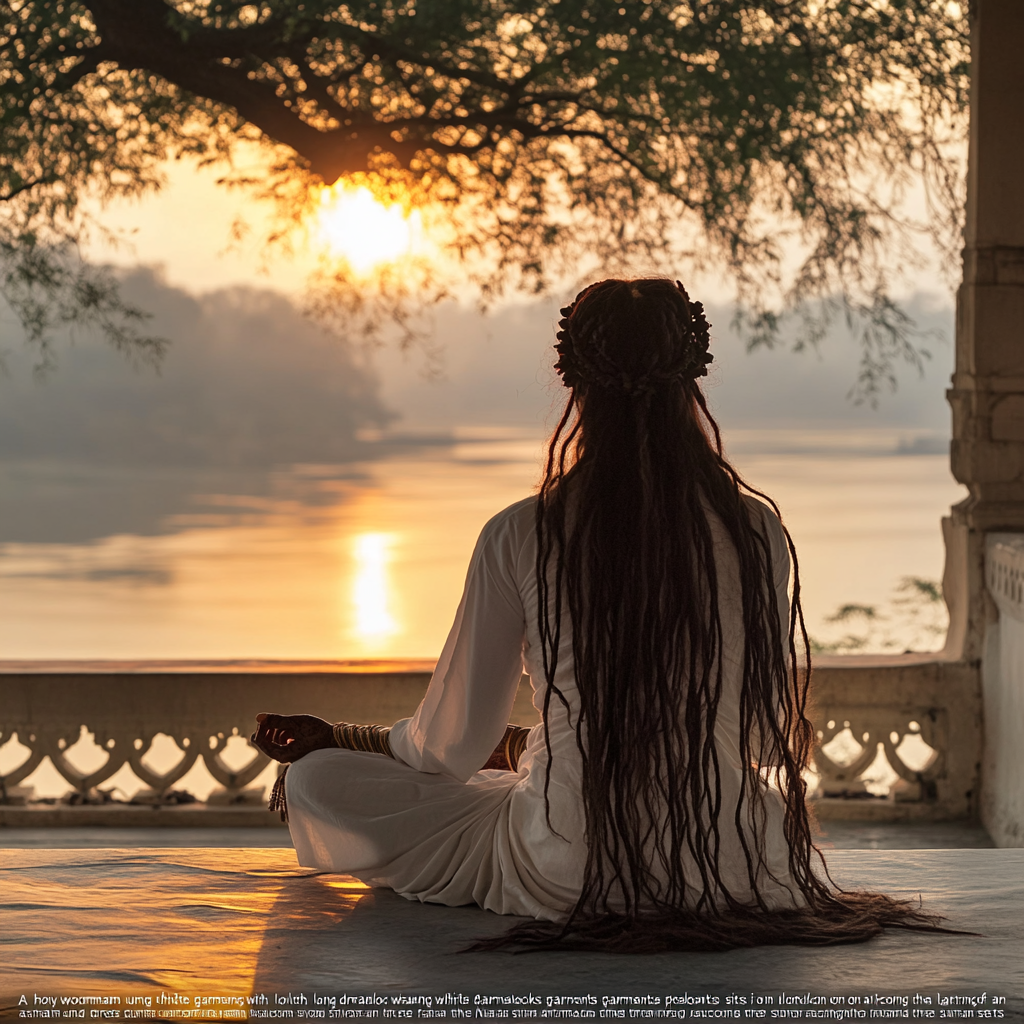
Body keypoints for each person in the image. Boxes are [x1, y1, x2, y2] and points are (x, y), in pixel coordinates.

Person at [252, 278, 942, 952]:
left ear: (574, 384)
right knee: (524, 778)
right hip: (733, 858)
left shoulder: (523, 531)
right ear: (691, 383)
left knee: (318, 780)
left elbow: (448, 750)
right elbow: (763, 737)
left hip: (571, 864)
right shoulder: (754, 529)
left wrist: (348, 739)